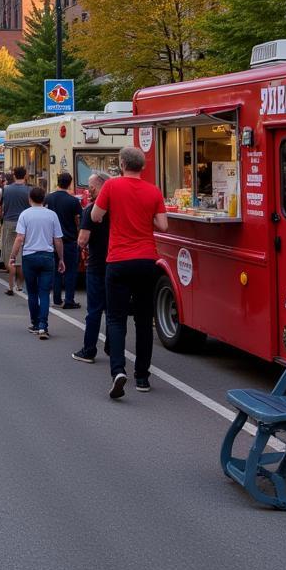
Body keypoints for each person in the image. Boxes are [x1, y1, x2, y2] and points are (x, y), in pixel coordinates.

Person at [91, 147, 168, 400]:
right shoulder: (153, 190)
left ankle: (118, 371)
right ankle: (143, 376)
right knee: (145, 320)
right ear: (142, 166)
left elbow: (96, 216)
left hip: (119, 260)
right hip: (147, 259)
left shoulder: (112, 187)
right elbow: (162, 224)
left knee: (116, 318)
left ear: (122, 164)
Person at [9, 187, 64, 340]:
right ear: (44, 199)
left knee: (32, 292)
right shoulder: (52, 215)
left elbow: (20, 238)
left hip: (29, 256)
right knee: (44, 293)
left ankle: (34, 322)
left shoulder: (25, 215)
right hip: (47, 256)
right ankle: (43, 326)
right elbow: (57, 240)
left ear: (30, 199)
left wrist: (13, 256)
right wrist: (61, 259)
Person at [73, 173, 110, 365]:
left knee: (94, 310)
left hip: (96, 265)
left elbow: (82, 240)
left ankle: (89, 349)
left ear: (96, 188)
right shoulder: (118, 208)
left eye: (90, 187)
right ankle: (112, 344)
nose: (89, 190)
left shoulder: (91, 210)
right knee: (113, 309)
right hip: (115, 262)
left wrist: (81, 246)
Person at [46, 171, 83, 310]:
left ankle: (56, 298)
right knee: (70, 271)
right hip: (69, 240)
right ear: (70, 183)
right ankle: (69, 299)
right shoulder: (73, 201)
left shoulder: (48, 198)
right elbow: (78, 220)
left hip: (52, 240)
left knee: (55, 270)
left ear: (58, 182)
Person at [0, 168, 31, 296]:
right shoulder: (29, 190)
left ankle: (10, 286)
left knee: (9, 254)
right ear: (25, 175)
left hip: (9, 222)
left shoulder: (7, 189)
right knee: (21, 255)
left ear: (14, 175)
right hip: (24, 223)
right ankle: (20, 284)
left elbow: (0, 207)